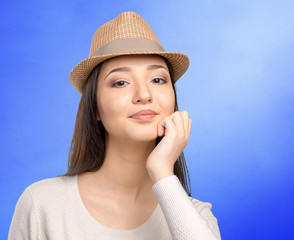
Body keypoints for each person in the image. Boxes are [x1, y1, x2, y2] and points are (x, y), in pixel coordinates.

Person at [8, 11, 221, 239]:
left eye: (158, 79)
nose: (144, 95)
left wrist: (161, 170)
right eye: (120, 82)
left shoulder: (194, 216)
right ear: (95, 107)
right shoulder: (42, 204)